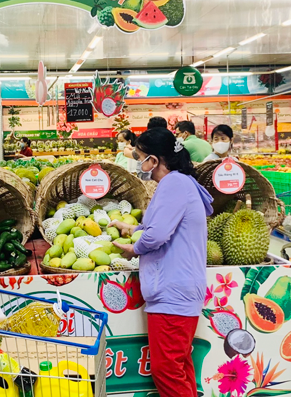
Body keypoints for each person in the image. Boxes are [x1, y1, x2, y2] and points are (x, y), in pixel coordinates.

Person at [109, 128, 213, 397]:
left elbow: (156, 235)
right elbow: (158, 224)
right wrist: (131, 228)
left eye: (140, 156)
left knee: (166, 369)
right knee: (179, 366)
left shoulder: (175, 184)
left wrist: (134, 248)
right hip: (177, 290)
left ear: (154, 160)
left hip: (173, 292)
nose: (138, 162)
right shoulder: (179, 183)